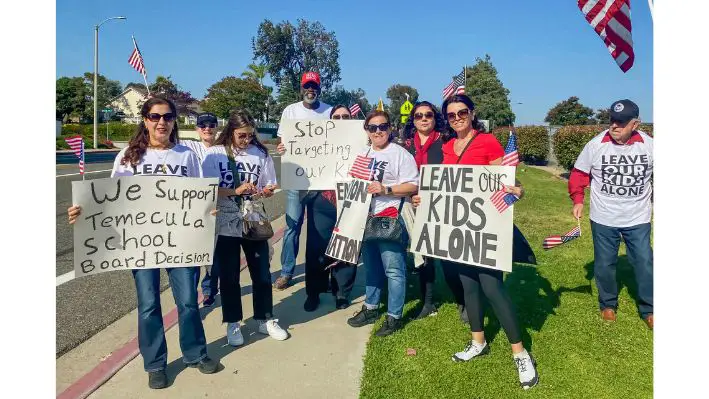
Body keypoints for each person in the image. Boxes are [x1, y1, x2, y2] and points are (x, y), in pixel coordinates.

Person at [67, 97, 218, 390]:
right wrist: (83, 214)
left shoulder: (186, 156)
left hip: (181, 243)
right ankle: (156, 364)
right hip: (142, 245)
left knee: (187, 302)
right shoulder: (128, 156)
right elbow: (108, 200)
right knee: (149, 305)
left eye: (168, 116)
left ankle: (195, 353)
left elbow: (201, 197)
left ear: (175, 120)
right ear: (145, 120)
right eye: (154, 116)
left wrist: (207, 210)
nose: (162, 122)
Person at [412, 94, 538, 390]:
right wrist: (424, 198)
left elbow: (504, 181)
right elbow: (443, 187)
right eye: (452, 114)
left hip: (484, 229)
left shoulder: (488, 142)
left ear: (472, 113)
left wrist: (517, 190)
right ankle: (478, 341)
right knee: (468, 286)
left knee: (492, 287)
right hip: (458, 231)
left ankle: (520, 353)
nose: (457, 118)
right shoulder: (444, 147)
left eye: (462, 112)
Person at [201, 109, 289, 347]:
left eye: (250, 135)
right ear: (231, 131)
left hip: (252, 216)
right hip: (225, 218)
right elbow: (206, 190)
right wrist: (234, 191)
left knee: (261, 271)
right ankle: (232, 322)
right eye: (242, 135)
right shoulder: (215, 154)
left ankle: (265, 317)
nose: (246, 140)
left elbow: (268, 183)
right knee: (229, 275)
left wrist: (266, 191)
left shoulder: (260, 154)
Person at [568, 99, 653, 329]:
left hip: (638, 217)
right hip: (604, 217)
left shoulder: (650, 145)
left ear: (635, 124)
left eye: (621, 122)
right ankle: (608, 304)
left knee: (644, 261)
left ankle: (649, 308)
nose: (614, 126)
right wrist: (578, 199)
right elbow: (579, 174)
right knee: (605, 264)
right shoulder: (596, 145)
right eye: (612, 121)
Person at [275, 104, 358, 311]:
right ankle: (314, 292)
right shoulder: (320, 137)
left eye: (345, 117)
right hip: (321, 201)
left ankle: (341, 292)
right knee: (315, 250)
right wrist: (287, 149)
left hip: (349, 201)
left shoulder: (360, 140)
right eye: (336, 117)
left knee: (346, 249)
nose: (341, 120)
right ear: (329, 121)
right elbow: (297, 151)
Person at [346, 110, 419, 337]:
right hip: (365, 217)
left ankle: (394, 316)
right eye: (373, 127)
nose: (378, 131)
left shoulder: (400, 155)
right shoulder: (363, 153)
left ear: (390, 128)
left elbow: (413, 186)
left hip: (390, 217)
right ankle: (371, 307)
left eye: (383, 126)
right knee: (372, 268)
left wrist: (386, 189)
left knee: (394, 270)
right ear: (366, 131)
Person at [401, 101, 467, 321]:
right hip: (416, 205)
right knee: (423, 257)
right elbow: (401, 176)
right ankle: (428, 302)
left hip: (441, 205)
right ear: (413, 119)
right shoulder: (406, 145)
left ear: (434, 117)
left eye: (428, 115)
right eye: (418, 116)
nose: (423, 119)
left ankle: (462, 300)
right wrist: (411, 195)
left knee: (449, 256)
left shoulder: (445, 141)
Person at [273, 71, 332, 290]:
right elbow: (283, 139)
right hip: (297, 182)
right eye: (307, 86)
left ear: (319, 88)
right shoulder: (291, 110)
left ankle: (323, 270)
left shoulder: (329, 111)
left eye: (314, 86)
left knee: (321, 230)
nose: (310, 90)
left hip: (322, 182)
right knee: (292, 227)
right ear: (301, 88)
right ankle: (287, 271)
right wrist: (282, 147)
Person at [180, 112, 220, 306]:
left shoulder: (223, 149)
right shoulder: (187, 146)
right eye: (202, 125)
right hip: (193, 208)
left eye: (211, 124)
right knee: (194, 253)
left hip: (217, 207)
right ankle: (190, 295)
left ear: (217, 127)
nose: (207, 128)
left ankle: (209, 290)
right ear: (196, 129)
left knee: (212, 255)